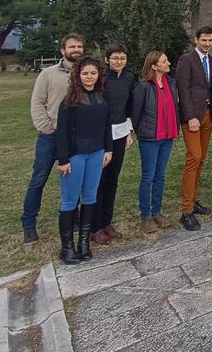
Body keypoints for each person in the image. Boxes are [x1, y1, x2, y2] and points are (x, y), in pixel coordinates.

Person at [22, 33, 84, 244]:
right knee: (38, 180)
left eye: (79, 46)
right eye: (72, 46)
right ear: (63, 50)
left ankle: (73, 218)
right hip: (51, 136)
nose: (76, 50)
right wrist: (46, 128)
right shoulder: (48, 74)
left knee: (74, 179)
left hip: (76, 136)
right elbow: (38, 102)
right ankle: (29, 223)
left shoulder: (85, 73)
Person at [54, 56, 112, 264]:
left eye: (93, 73)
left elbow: (107, 126)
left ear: (99, 75)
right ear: (78, 76)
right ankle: (67, 247)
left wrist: (108, 149)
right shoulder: (69, 101)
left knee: (89, 197)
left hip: (97, 153)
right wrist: (63, 159)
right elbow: (61, 133)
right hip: (75, 156)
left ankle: (84, 243)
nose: (89, 77)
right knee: (70, 200)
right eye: (85, 73)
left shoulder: (102, 97)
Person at [90, 45, 135, 245]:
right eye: (115, 58)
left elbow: (129, 107)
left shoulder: (129, 78)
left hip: (120, 132)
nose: (119, 61)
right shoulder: (101, 78)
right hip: (101, 134)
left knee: (112, 179)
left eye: (122, 58)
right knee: (98, 180)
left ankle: (107, 222)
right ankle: (95, 226)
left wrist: (128, 131)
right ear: (107, 60)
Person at [131, 51, 180, 234]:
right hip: (150, 138)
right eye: (164, 61)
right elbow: (135, 114)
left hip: (167, 136)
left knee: (160, 175)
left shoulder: (171, 83)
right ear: (154, 66)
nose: (168, 63)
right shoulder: (143, 87)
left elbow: (174, 107)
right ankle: (145, 216)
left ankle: (157, 212)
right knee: (148, 176)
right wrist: (142, 132)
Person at [175, 27, 212, 232]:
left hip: (208, 115)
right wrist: (190, 116)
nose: (207, 43)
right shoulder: (187, 59)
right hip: (192, 117)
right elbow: (183, 90)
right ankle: (186, 211)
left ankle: (193, 200)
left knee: (202, 158)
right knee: (194, 157)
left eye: (210, 40)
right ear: (196, 40)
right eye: (204, 40)